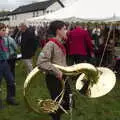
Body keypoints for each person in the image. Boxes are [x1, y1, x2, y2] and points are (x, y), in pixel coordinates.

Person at [37, 20, 71, 120]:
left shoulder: (60, 43)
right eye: (64, 29)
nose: (66, 31)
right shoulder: (50, 44)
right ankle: (53, 114)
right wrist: (56, 71)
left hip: (63, 77)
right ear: (58, 31)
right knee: (57, 104)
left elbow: (59, 62)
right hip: (53, 79)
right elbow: (41, 62)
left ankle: (52, 111)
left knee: (69, 101)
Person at [0, 23, 18, 109]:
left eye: (5, 30)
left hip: (5, 63)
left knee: (11, 81)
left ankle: (10, 98)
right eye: (3, 30)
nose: (5, 32)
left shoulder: (3, 40)